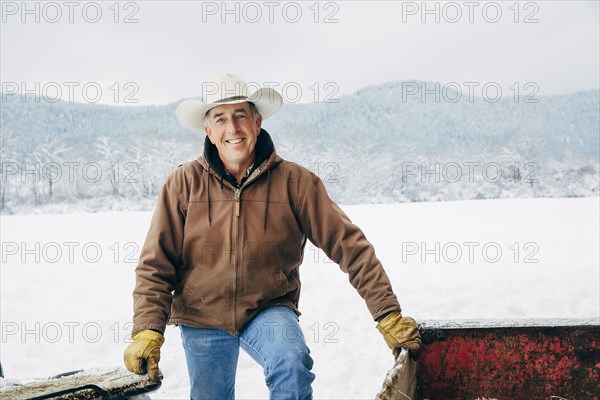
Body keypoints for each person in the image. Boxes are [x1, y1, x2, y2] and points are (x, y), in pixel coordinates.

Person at [123, 73, 421, 399]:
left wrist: (387, 313)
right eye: (220, 119)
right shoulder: (182, 184)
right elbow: (156, 263)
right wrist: (147, 331)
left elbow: (350, 246)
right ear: (208, 131)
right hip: (201, 314)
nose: (232, 128)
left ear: (257, 122)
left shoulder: (296, 183)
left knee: (292, 364)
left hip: (268, 307)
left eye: (240, 116)